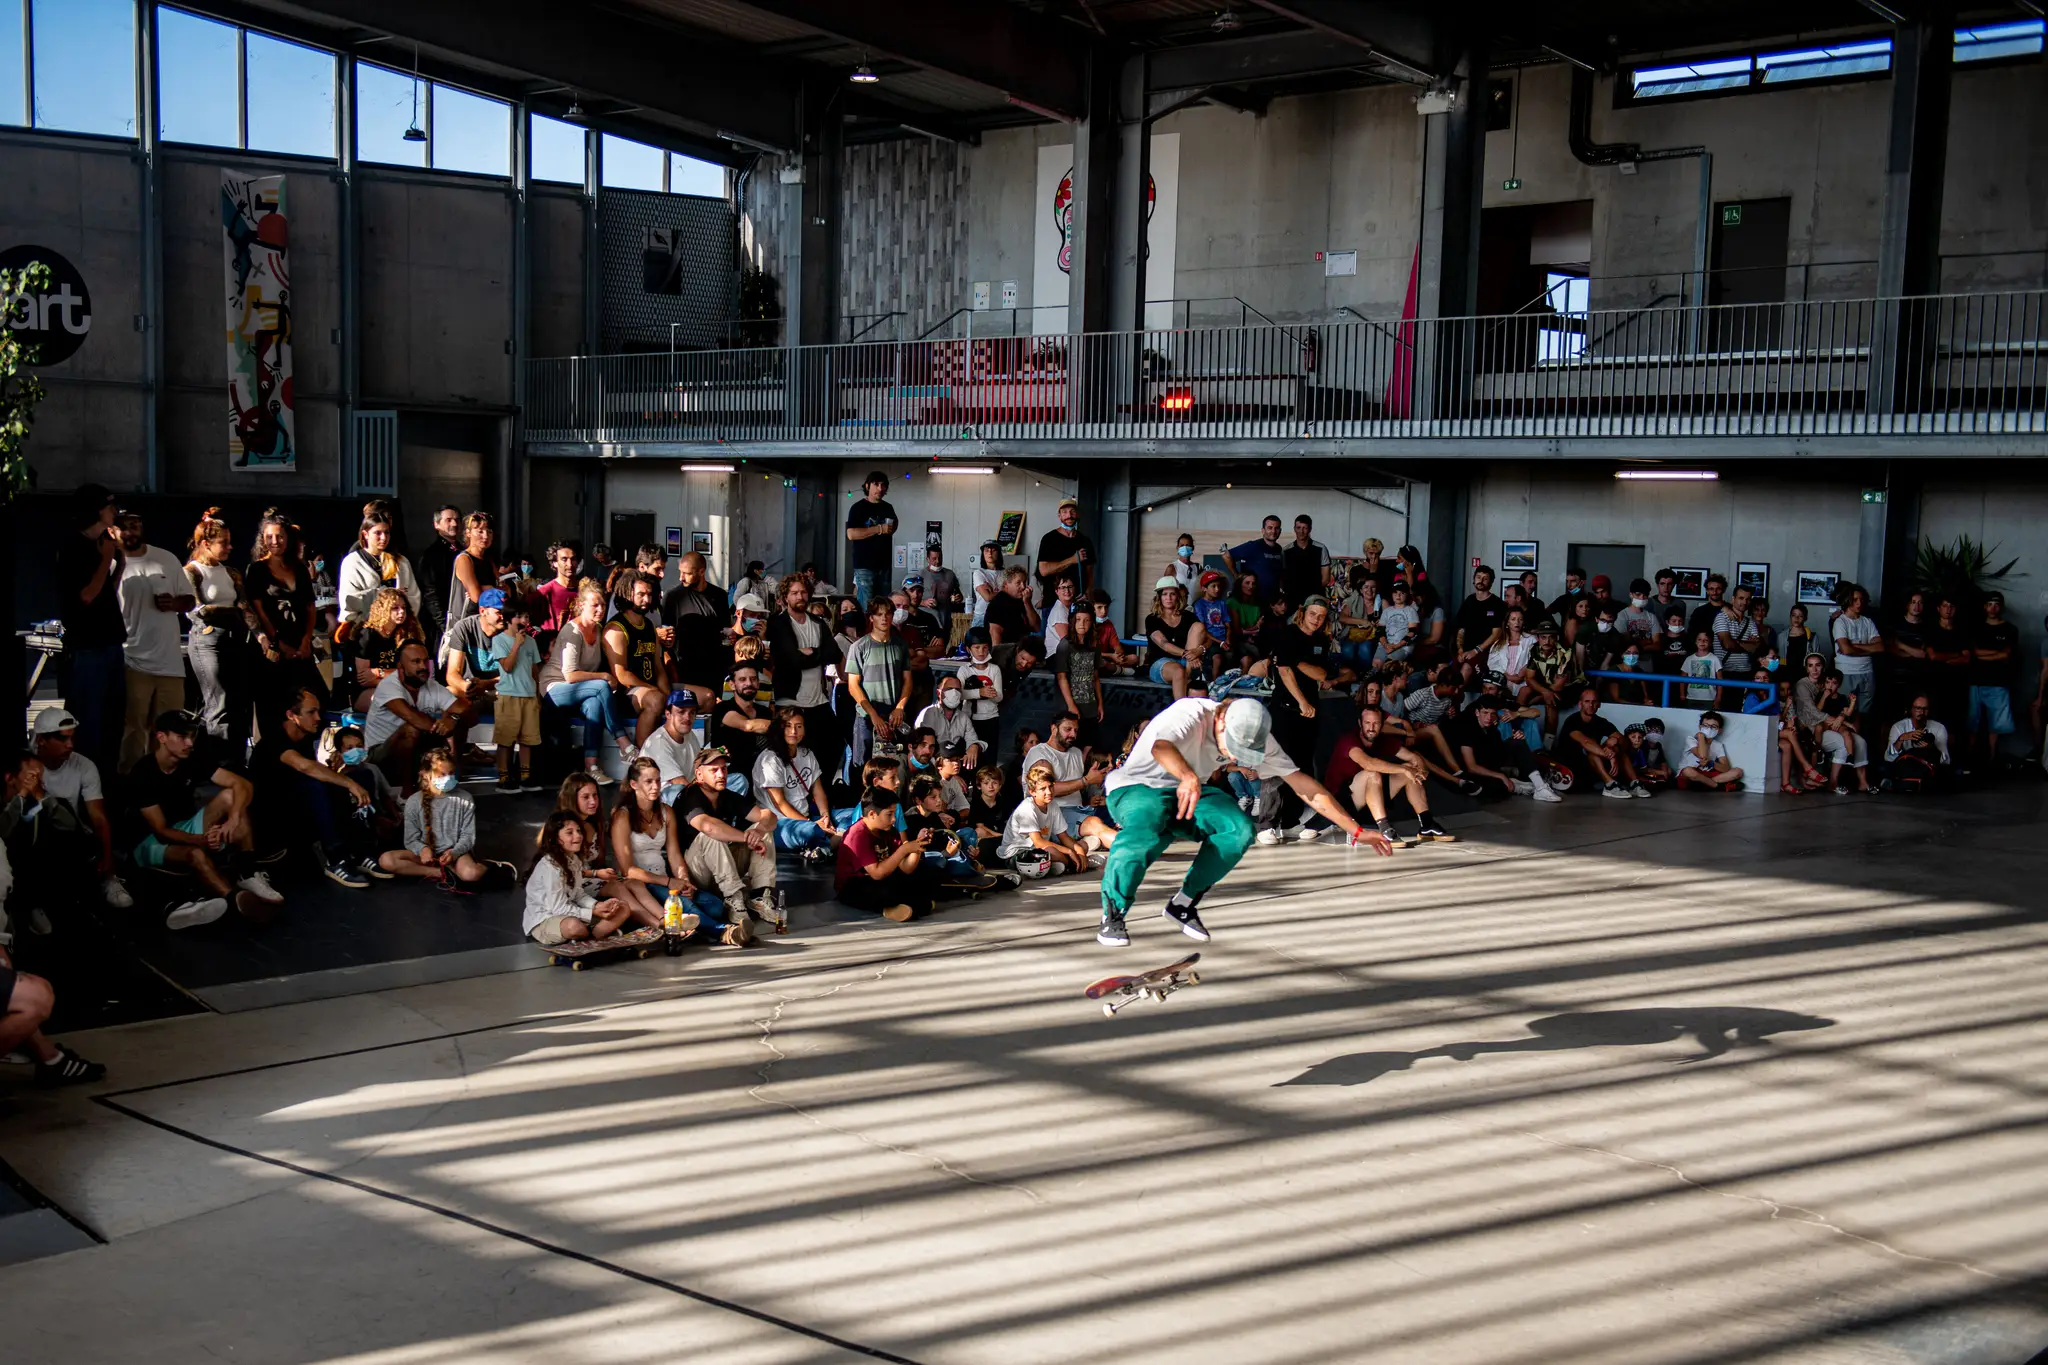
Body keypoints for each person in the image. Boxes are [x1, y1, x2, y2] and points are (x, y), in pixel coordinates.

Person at [1094, 697, 1391, 947]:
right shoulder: (1190, 713)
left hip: (1189, 792)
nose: (1236, 757)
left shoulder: (1260, 736)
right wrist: (1187, 776)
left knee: (1239, 829)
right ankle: (1113, 914)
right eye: (1233, 747)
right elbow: (1161, 747)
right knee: (1146, 825)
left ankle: (1183, 904)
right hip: (1136, 788)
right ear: (1221, 721)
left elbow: (1303, 785)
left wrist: (1356, 830)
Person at [0, 756, 106, 1083]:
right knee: (30, 996)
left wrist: (41, 798)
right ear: (10, 777)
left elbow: (71, 828)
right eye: (29, 774)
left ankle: (49, 1057)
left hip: (32, 890)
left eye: (39, 774)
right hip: (12, 901)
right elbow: (5, 829)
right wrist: (20, 799)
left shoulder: (47, 803)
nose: (36, 779)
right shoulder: (7, 809)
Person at [124, 709, 284, 921]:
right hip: (150, 841)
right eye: (182, 737)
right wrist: (202, 840)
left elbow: (242, 785)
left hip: (186, 825)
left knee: (231, 796)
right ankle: (233, 900)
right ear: (161, 737)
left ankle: (247, 870)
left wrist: (232, 820)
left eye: (191, 736)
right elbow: (161, 831)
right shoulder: (143, 773)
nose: (189, 743)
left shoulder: (192, 758)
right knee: (196, 854)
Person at [252, 688, 378, 887]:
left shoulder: (304, 739)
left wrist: (336, 771)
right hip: (272, 821)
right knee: (317, 786)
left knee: (355, 776)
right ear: (291, 715)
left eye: (318, 711)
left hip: (298, 811)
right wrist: (349, 784)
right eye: (311, 712)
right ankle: (335, 859)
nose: (318, 718)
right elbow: (304, 767)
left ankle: (359, 852)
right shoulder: (275, 740)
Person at [608, 757, 736, 943]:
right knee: (686, 906)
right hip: (640, 883)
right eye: (648, 782)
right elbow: (628, 870)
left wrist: (684, 881)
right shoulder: (622, 816)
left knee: (716, 906)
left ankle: (691, 928)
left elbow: (674, 854)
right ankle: (723, 932)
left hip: (664, 879)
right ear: (634, 784)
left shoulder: (666, 811)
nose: (655, 786)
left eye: (658, 780)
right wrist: (669, 882)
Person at [111, 510, 196, 774]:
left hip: (169, 660)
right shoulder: (110, 564)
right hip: (132, 658)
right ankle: (131, 781)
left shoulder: (165, 558)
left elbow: (190, 600)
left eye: (135, 525)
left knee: (170, 729)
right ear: (112, 531)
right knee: (133, 729)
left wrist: (174, 603)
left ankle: (167, 780)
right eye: (123, 527)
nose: (130, 532)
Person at [28, 708, 133, 913]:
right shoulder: (26, 765)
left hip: (72, 833)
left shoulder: (84, 765)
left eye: (72, 738)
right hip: (36, 834)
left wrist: (107, 857)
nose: (70, 744)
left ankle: (108, 879)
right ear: (41, 740)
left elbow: (98, 816)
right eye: (62, 739)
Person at [55, 483, 128, 774]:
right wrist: (106, 558)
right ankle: (87, 781)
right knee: (89, 720)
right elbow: (86, 596)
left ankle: (107, 778)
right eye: (109, 507)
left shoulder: (102, 545)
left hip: (110, 642)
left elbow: (105, 592)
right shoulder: (74, 547)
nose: (115, 512)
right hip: (89, 646)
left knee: (113, 718)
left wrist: (118, 564)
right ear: (96, 511)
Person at [1325, 705, 1460, 848]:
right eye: (1367, 723)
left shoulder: (1382, 740)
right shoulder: (1348, 740)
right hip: (1341, 804)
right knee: (1373, 773)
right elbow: (1368, 763)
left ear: (1382, 725)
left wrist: (1419, 770)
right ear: (1360, 723)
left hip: (1369, 801)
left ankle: (1427, 824)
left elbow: (1413, 757)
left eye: (1376, 723)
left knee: (1410, 770)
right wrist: (1403, 769)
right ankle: (1384, 829)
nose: (1371, 728)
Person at [677, 747, 782, 926]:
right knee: (710, 836)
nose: (721, 774)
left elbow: (769, 816)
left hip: (722, 867)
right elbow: (709, 826)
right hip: (696, 873)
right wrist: (746, 837)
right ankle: (734, 898)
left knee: (762, 829)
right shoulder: (689, 796)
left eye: (724, 769)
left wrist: (758, 832)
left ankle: (759, 896)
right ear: (699, 774)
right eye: (714, 770)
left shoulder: (727, 796)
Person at [540, 584, 628, 783]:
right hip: (555, 686)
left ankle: (591, 766)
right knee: (601, 685)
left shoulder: (599, 630)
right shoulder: (572, 631)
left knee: (594, 704)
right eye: (595, 605)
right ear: (581, 605)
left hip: (582, 689)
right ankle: (623, 742)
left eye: (603, 605)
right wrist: (604, 676)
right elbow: (570, 676)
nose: (600, 609)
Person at [245, 509, 325, 714]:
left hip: (302, 644)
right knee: (279, 704)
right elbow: (259, 612)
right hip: (275, 647)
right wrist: (279, 644)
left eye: (280, 536)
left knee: (317, 697)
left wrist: (306, 641)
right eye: (269, 537)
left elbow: (310, 606)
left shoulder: (299, 568)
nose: (275, 541)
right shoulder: (256, 570)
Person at [379, 749, 496, 889]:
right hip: (426, 856)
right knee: (386, 860)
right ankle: (437, 872)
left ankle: (489, 867)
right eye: (442, 774)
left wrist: (454, 853)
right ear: (425, 774)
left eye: (451, 773)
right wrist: (423, 850)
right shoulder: (414, 801)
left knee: (471, 874)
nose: (448, 778)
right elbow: (410, 839)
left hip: (454, 854)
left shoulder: (465, 798)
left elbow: (468, 836)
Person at [524, 811, 636, 946]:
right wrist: (592, 912)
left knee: (623, 908)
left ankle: (590, 938)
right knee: (574, 927)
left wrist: (598, 906)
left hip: (571, 912)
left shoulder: (574, 860)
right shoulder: (550, 867)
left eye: (578, 831)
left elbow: (578, 895)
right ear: (556, 838)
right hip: (545, 919)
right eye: (569, 833)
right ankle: (595, 936)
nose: (578, 836)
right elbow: (558, 909)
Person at [835, 786, 942, 921]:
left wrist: (918, 846)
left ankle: (907, 906)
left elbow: (906, 868)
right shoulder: (857, 835)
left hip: (884, 878)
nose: (893, 819)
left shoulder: (889, 830)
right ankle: (897, 907)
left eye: (894, 814)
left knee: (926, 875)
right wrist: (904, 850)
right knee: (882, 891)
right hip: (855, 885)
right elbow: (877, 873)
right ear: (872, 814)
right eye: (889, 814)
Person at [364, 641, 463, 786]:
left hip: (414, 750)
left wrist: (452, 719)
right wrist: (444, 728)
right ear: (400, 667)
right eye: (416, 662)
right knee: (411, 730)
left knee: (458, 723)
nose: (423, 666)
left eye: (425, 661)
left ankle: (448, 780)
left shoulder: (431, 685)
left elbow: (463, 710)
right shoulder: (388, 686)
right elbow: (413, 718)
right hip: (379, 755)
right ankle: (406, 791)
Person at [767, 575, 837, 776]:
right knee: (792, 755)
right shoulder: (778, 623)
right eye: (795, 593)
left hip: (818, 701)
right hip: (790, 702)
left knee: (833, 746)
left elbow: (834, 654)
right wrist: (814, 655)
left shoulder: (817, 622)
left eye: (804, 592)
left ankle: (822, 791)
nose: (800, 596)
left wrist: (810, 652)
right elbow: (790, 660)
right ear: (785, 597)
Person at [753, 707, 838, 860]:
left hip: (808, 817)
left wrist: (825, 816)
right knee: (810, 832)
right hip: (781, 823)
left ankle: (824, 847)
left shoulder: (807, 754)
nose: (793, 731)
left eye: (799, 726)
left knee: (856, 814)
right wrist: (813, 825)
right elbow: (780, 803)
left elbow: (818, 791)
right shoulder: (770, 759)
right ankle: (834, 842)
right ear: (780, 728)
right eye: (788, 726)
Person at [1441, 695, 1559, 804]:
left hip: (1490, 762)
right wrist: (1500, 776)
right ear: (1477, 713)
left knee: (1517, 742)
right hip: (1472, 770)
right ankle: (1517, 785)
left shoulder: (1491, 725)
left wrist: (1515, 738)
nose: (1489, 717)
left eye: (1492, 714)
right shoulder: (1468, 728)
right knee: (1494, 788)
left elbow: (1498, 750)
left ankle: (1540, 787)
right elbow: (1471, 767)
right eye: (1485, 713)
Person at [604, 573, 671, 752]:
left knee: (706, 697)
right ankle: (642, 758)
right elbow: (621, 675)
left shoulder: (649, 625)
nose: (647, 600)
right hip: (624, 694)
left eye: (649, 594)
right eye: (641, 594)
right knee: (656, 700)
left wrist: (669, 696)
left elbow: (658, 667)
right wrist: (655, 691)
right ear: (627, 594)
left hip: (650, 688)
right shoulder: (616, 628)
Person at [337, 510, 421, 650]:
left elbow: (414, 595)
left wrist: (402, 608)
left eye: (387, 533)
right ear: (365, 534)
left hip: (398, 633)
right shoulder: (352, 562)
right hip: (365, 632)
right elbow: (349, 600)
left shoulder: (401, 561)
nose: (383, 537)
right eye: (378, 533)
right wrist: (384, 596)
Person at [844, 597, 911, 771]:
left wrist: (900, 707)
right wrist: (873, 715)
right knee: (863, 767)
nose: (884, 618)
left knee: (894, 766)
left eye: (887, 614)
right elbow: (853, 686)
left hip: (894, 717)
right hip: (867, 717)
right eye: (879, 614)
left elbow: (908, 680)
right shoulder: (859, 647)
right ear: (871, 618)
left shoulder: (900, 645)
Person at [1001, 761, 1101, 878]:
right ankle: (1078, 864)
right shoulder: (1027, 808)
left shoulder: (1052, 804)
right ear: (1032, 792)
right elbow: (1039, 842)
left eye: (1051, 786)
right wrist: (1069, 851)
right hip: (1019, 854)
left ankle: (1061, 865)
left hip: (1042, 849)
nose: (1048, 792)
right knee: (1052, 852)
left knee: (1082, 845)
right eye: (1043, 789)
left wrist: (1078, 850)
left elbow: (1063, 836)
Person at [1553, 685, 1651, 799]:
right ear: (1580, 704)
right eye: (1587, 701)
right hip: (1570, 766)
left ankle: (1635, 784)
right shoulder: (1572, 721)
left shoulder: (1600, 722)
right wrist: (1610, 756)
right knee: (1593, 752)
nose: (1591, 705)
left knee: (1619, 751)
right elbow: (1586, 743)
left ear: (1599, 704)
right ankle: (1610, 785)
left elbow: (1624, 741)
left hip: (1590, 768)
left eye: (1594, 702)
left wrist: (1614, 746)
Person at [663, 551, 728, 708]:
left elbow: (725, 629)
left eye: (687, 573)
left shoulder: (719, 596)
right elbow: (665, 639)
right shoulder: (673, 597)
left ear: (701, 572)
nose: (681, 578)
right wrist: (672, 671)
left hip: (713, 669)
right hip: (684, 670)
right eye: (680, 572)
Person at [1967, 591, 2020, 768]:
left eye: (1996, 604)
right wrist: (1996, 654)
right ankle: (1970, 757)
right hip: (1975, 681)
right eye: (1989, 604)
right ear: (1984, 606)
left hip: (1999, 682)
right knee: (1972, 722)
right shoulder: (1975, 627)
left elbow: (2006, 654)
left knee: (1996, 725)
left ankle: (1992, 758)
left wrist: (1984, 655)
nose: (1993, 608)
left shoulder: (2010, 629)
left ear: (2001, 607)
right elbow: (1974, 653)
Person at [351, 588, 424, 714]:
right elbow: (364, 680)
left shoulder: (407, 633)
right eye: (395, 608)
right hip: (368, 691)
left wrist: (379, 672)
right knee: (390, 702)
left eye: (403, 607)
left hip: (401, 688)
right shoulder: (367, 635)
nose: (401, 611)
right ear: (383, 609)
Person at [439, 511, 499, 659]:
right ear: (468, 533)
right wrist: (491, 589)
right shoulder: (464, 559)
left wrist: (490, 589)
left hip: (489, 624)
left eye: (489, 531)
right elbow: (476, 596)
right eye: (480, 531)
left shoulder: (489, 561)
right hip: (468, 625)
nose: (485, 536)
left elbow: (502, 592)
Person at [1054, 601, 1107, 747]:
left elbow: (1096, 677)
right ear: (1072, 621)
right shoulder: (1065, 645)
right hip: (1070, 707)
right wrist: (1071, 705)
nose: (1082, 624)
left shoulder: (1094, 645)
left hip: (1090, 706)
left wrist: (1100, 704)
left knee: (1090, 746)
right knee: (1070, 746)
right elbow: (1061, 677)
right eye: (1078, 619)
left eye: (1087, 620)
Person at [1829, 586, 1883, 727]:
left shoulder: (1867, 621)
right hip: (1846, 672)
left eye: (1861, 599)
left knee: (1865, 714)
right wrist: (1868, 648)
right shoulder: (1840, 622)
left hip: (1867, 672)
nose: (1859, 603)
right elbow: (1846, 649)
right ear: (1847, 601)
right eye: (1855, 600)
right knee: (1845, 712)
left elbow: (1880, 647)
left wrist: (1855, 646)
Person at [845, 470, 898, 609]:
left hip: (884, 565)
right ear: (867, 486)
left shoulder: (888, 508)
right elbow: (851, 534)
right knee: (866, 606)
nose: (880, 488)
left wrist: (891, 528)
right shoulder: (858, 508)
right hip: (864, 565)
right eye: (876, 484)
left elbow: (894, 524)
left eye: (883, 485)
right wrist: (879, 529)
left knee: (884, 605)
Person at [712, 662, 772, 783]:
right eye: (742, 679)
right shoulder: (722, 708)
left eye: (753, 679)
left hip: (763, 775)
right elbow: (748, 726)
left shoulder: (765, 712)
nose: (749, 683)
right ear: (732, 685)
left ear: (758, 684)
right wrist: (782, 727)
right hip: (731, 778)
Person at [1145, 576, 1201, 699]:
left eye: (1172, 594)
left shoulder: (1188, 616)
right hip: (1161, 663)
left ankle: (1187, 674)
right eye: (1165, 594)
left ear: (1178, 596)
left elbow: (1206, 639)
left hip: (1187, 662)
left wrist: (1199, 651)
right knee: (1179, 671)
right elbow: (1164, 644)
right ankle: (1180, 708)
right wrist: (1188, 654)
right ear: (1159, 597)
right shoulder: (1152, 619)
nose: (1168, 598)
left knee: (1199, 626)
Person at [641, 689, 702, 798]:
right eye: (681, 712)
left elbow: (699, 767)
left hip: (687, 790)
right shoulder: (658, 743)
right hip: (661, 800)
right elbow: (679, 782)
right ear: (668, 714)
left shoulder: (689, 734)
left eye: (692, 712)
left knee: (733, 779)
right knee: (678, 790)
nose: (687, 718)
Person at [1036, 495, 1096, 602]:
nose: (1069, 515)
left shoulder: (1085, 541)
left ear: (1077, 514)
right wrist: (1072, 560)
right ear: (1059, 516)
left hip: (1078, 601)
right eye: (1064, 512)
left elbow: (1089, 573)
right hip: (1053, 601)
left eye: (1072, 511)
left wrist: (1088, 593)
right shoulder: (1049, 539)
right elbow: (1044, 570)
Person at [416, 505, 462, 644]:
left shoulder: (463, 550)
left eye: (457, 520)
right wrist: (444, 625)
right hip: (440, 623)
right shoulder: (431, 555)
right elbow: (430, 594)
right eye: (448, 520)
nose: (454, 524)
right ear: (436, 524)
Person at [915, 674, 980, 769]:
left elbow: (972, 738)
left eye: (957, 690)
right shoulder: (928, 714)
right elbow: (924, 749)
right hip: (931, 765)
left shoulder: (963, 717)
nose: (954, 693)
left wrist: (974, 745)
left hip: (953, 764)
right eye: (949, 689)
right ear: (939, 693)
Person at [1672, 711, 1745, 791]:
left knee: (1737, 772)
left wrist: (1712, 763)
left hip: (1705, 774)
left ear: (1719, 730)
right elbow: (1702, 756)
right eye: (1705, 726)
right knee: (1688, 771)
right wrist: (1700, 736)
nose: (1709, 729)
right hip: (1689, 775)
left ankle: (1703, 785)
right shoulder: (1691, 739)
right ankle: (1718, 786)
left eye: (1714, 727)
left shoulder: (1718, 745)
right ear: (1700, 727)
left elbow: (1726, 768)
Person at [1454, 566, 1507, 667]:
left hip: (1486, 652)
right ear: (1474, 579)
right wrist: (1460, 650)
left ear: (1491, 582)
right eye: (1478, 577)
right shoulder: (1469, 601)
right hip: (1465, 651)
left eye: (1485, 578)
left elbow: (1496, 634)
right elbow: (1461, 628)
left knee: (1465, 670)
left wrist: (1476, 651)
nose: (1481, 581)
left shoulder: (1497, 603)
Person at [1229, 516, 1286, 603]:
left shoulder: (1278, 548)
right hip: (1253, 600)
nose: (1273, 531)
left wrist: (1281, 589)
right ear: (1263, 530)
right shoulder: (1253, 546)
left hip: (1272, 601)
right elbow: (1227, 556)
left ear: (1280, 531)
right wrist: (1237, 577)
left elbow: (1280, 572)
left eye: (1277, 528)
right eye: (1270, 528)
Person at [1280, 514, 1331, 604]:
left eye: (1305, 528)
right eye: (1298, 528)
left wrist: (1312, 595)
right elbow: (1282, 577)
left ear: (1310, 529)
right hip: (1292, 599)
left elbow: (1325, 579)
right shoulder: (1286, 551)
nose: (1301, 531)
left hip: (1315, 598)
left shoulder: (1321, 548)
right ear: (1294, 529)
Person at [984, 565, 1039, 648]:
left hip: (1020, 649)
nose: (1023, 586)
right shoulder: (999, 603)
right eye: (1018, 583)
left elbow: (1036, 627)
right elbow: (994, 633)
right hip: (1007, 651)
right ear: (1006, 584)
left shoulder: (1021, 601)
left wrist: (1027, 602)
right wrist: (998, 655)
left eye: (1024, 582)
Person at [922, 544, 962, 633]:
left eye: (940, 558)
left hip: (946, 618)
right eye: (934, 559)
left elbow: (958, 593)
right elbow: (909, 599)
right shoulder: (920, 575)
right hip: (927, 620)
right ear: (927, 559)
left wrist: (958, 597)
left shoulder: (950, 574)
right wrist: (924, 603)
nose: (937, 561)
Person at [968, 541, 1007, 628]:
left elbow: (1011, 594)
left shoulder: (1005, 573)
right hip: (982, 616)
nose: (990, 553)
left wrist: (993, 592)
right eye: (986, 550)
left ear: (998, 553)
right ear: (983, 554)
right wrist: (1004, 591)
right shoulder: (979, 573)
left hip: (1001, 615)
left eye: (993, 550)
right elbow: (988, 597)